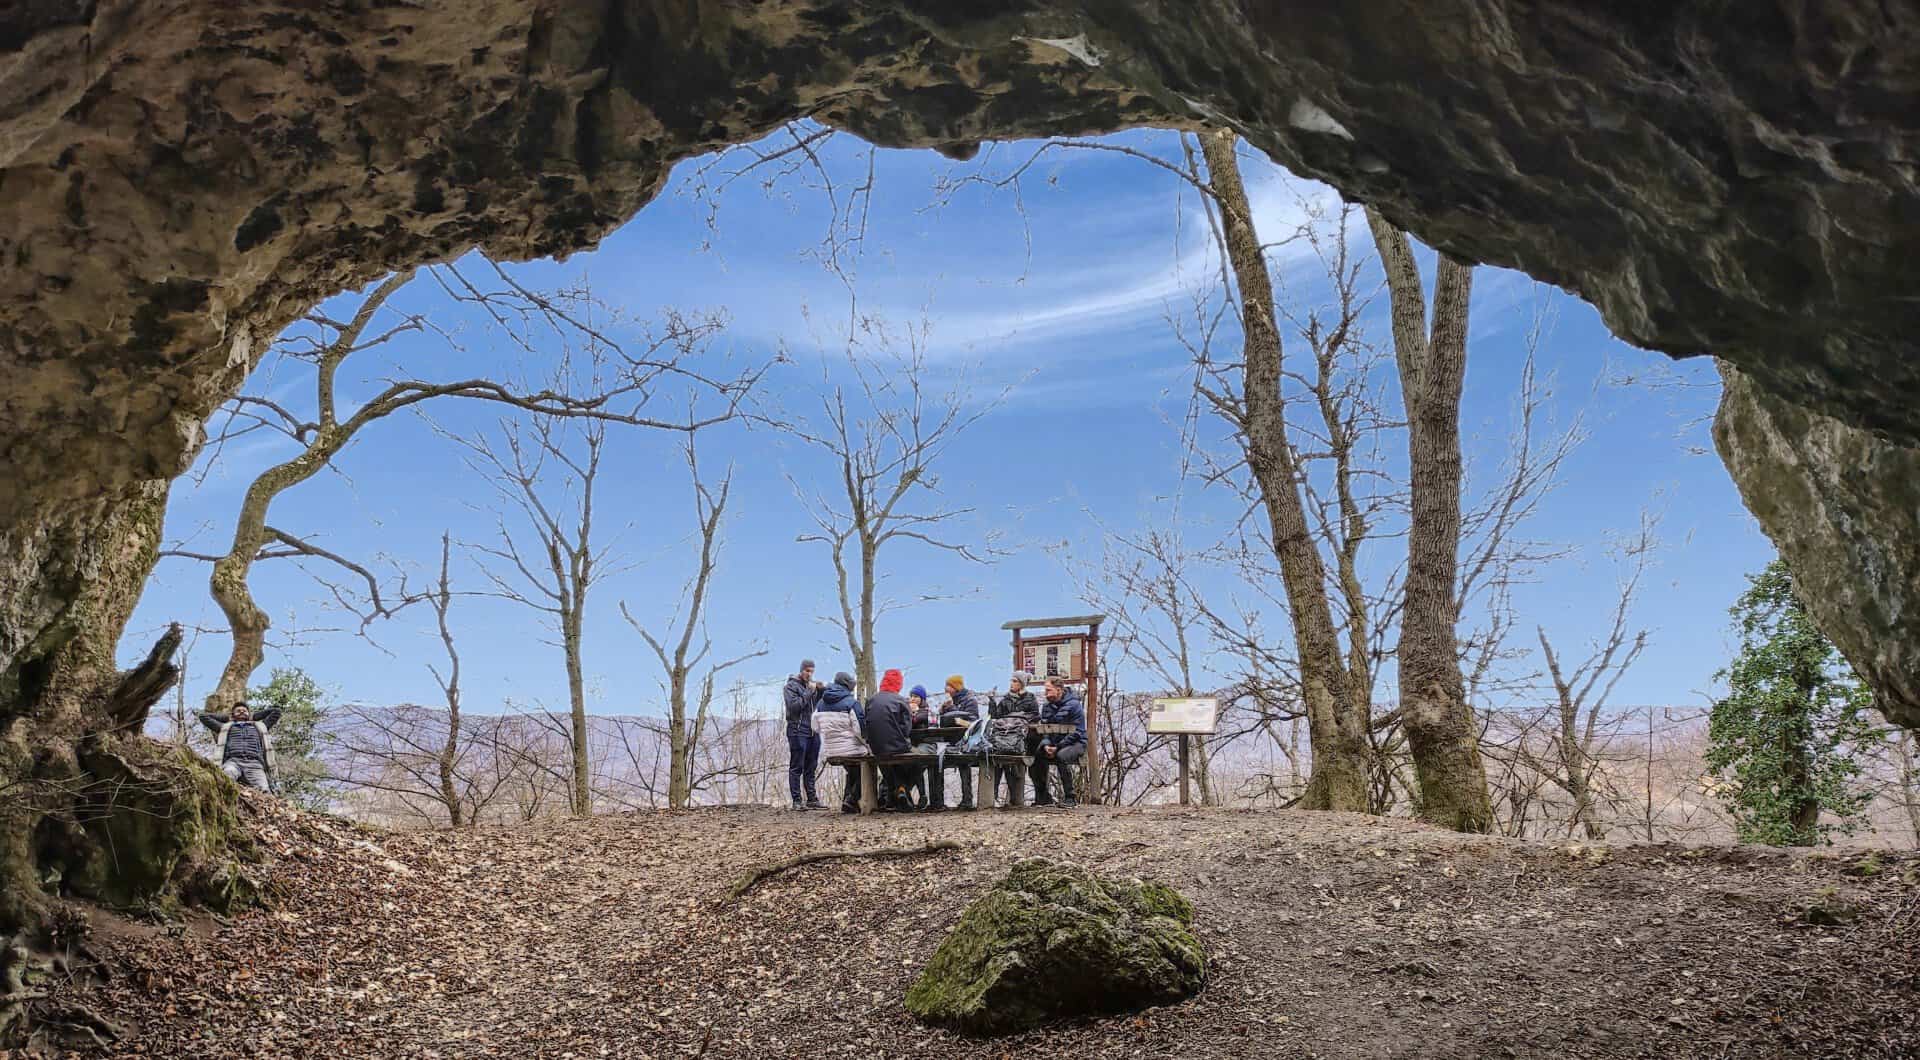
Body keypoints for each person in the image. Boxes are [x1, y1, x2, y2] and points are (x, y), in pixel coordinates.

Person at [812, 672, 868, 813]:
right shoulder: (851, 703)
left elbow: (815, 727)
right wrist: (867, 744)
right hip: (851, 749)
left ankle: (848, 803)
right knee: (866, 766)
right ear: (848, 686)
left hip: (831, 750)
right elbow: (860, 730)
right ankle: (851, 799)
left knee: (853, 770)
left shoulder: (820, 703)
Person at [864, 668, 918, 812]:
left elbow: (866, 724)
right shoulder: (901, 701)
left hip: (876, 748)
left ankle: (895, 794)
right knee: (921, 761)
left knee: (888, 763)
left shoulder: (871, 700)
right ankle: (902, 788)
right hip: (897, 746)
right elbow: (907, 729)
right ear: (898, 684)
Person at [197, 701, 283, 791]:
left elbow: (276, 711)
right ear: (233, 714)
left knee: (264, 791)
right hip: (233, 762)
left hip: (254, 764)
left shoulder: (260, 726)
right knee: (224, 780)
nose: (242, 712)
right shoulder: (225, 727)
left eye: (244, 711)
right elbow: (203, 716)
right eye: (238, 711)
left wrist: (254, 716)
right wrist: (227, 718)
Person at [1031, 676, 1088, 807]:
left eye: (1048, 690)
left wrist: (1057, 747)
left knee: (1061, 756)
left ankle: (1070, 797)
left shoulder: (1074, 705)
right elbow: (1045, 729)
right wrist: (1046, 745)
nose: (1046, 693)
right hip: (1054, 743)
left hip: (1076, 743)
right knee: (1036, 756)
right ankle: (1043, 797)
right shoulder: (1046, 707)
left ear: (1058, 690)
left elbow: (1077, 732)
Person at [987, 672, 1041, 808]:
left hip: (1023, 738)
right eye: (1011, 681)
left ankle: (1016, 799)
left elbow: (1035, 716)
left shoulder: (1030, 699)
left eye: (1015, 681)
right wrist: (992, 702)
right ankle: (993, 797)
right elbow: (996, 717)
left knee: (1015, 765)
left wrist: (1016, 718)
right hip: (1005, 737)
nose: (1012, 684)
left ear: (1021, 684)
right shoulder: (1005, 700)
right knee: (997, 760)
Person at [783, 659, 825, 810]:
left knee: (811, 766)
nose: (809, 674)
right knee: (797, 766)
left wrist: (820, 691)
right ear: (801, 671)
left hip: (812, 731)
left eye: (812, 671)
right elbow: (794, 707)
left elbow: (816, 705)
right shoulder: (790, 686)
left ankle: (812, 799)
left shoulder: (811, 686)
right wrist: (809, 692)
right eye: (807, 671)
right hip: (797, 730)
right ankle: (797, 801)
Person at [940, 675, 982, 810]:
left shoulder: (970, 701)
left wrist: (951, 709)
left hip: (966, 742)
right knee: (937, 761)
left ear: (956, 687)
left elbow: (971, 721)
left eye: (949, 686)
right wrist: (943, 710)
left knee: (964, 764)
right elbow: (946, 721)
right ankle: (938, 801)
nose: (946, 688)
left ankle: (967, 800)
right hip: (951, 740)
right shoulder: (951, 701)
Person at [906, 685, 936, 810]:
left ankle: (918, 794)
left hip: (927, 744)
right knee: (909, 764)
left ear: (922, 698)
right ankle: (907, 793)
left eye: (916, 696)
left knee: (917, 763)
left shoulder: (927, 711)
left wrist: (913, 712)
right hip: (914, 745)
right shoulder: (907, 709)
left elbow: (917, 720)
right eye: (911, 696)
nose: (913, 699)